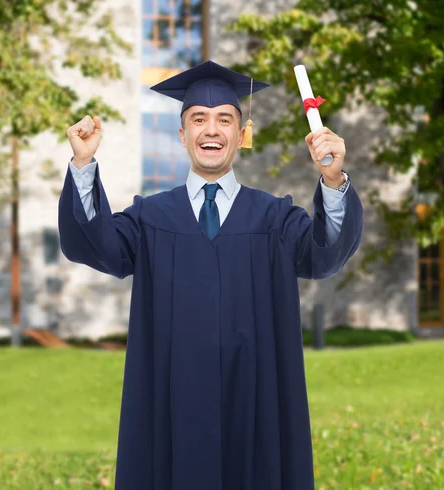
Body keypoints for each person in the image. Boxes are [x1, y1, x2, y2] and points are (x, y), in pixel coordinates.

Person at [58, 60, 363, 490]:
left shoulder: (275, 218)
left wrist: (332, 179)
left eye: (225, 119)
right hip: (172, 405)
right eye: (198, 119)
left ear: (242, 134)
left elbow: (325, 254)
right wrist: (83, 165)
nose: (212, 130)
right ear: (183, 136)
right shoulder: (150, 218)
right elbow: (98, 244)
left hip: (254, 403)